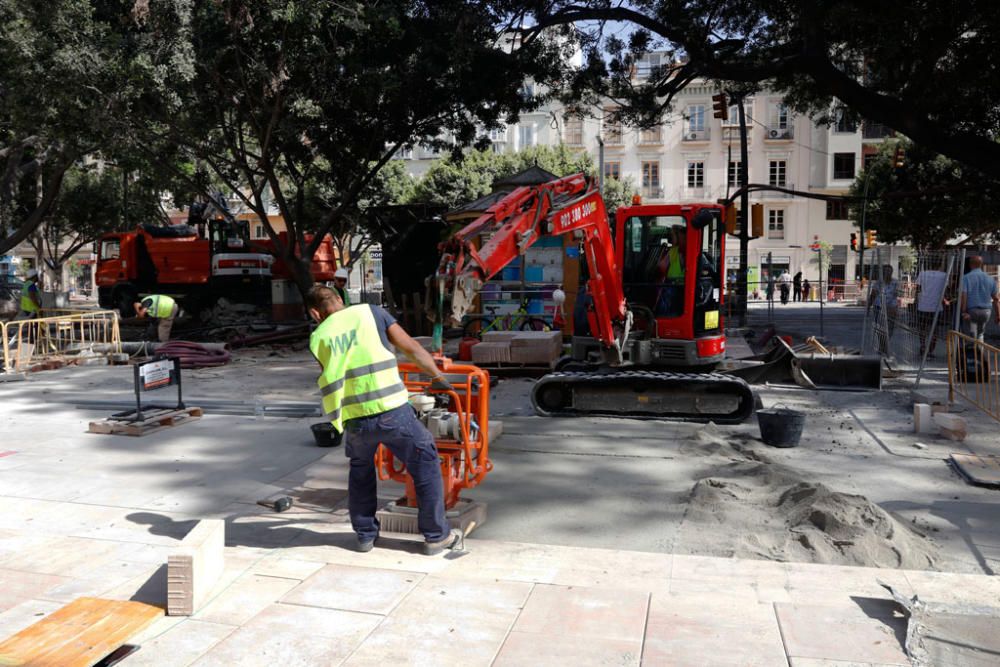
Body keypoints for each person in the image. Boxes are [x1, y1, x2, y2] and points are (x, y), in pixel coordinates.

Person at [306, 285, 462, 555]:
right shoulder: (371, 313)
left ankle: (366, 536)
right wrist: (437, 377)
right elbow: (411, 347)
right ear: (340, 300)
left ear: (314, 313)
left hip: (355, 419)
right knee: (425, 462)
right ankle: (436, 536)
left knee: (361, 471)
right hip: (392, 410)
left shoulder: (318, 337)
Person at [959, 255, 999, 342]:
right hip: (986, 311)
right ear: (981, 264)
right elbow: (996, 299)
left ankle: (971, 352)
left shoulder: (966, 278)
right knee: (980, 333)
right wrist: (998, 314)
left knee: (969, 333)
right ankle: (980, 352)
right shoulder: (990, 279)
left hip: (972, 311)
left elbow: (964, 296)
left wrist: (963, 311)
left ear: (970, 265)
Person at [915, 263, 949, 357]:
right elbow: (944, 291)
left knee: (922, 327)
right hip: (936, 306)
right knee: (935, 329)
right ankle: (931, 350)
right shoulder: (943, 275)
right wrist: (945, 300)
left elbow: (918, 288)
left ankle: (922, 346)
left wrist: (916, 301)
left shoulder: (923, 273)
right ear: (940, 265)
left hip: (923, 305)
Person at [655, 226, 685, 317]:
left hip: (673, 289)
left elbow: (661, 267)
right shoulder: (693, 253)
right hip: (684, 289)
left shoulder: (673, 252)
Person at [868, 267, 899, 355]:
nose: (887, 273)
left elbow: (897, 295)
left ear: (892, 272)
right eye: (885, 271)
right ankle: (883, 348)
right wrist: (868, 306)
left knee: (890, 328)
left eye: (889, 271)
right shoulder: (878, 283)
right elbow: (873, 295)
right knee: (880, 328)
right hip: (879, 307)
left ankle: (884, 347)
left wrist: (894, 308)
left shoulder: (895, 282)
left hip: (891, 308)